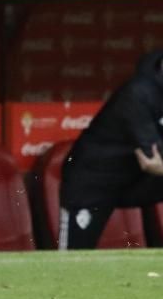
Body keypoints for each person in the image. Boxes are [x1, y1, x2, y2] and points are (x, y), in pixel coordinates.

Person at [59, 50, 163, 250]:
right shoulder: (137, 93)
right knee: (73, 259)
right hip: (93, 182)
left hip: (135, 181)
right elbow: (153, 155)